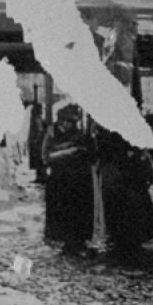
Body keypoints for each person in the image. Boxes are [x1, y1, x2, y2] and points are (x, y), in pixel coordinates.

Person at [95, 129, 153, 264]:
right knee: (128, 209)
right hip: (121, 173)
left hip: (123, 172)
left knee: (127, 209)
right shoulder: (114, 130)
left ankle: (126, 244)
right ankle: (128, 246)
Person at [41, 103, 95, 254]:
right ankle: (66, 241)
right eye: (65, 121)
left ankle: (78, 241)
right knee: (62, 211)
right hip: (59, 179)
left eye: (71, 122)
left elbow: (89, 155)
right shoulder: (51, 133)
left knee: (78, 211)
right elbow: (45, 156)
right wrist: (70, 150)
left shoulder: (79, 134)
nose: (67, 125)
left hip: (78, 179)